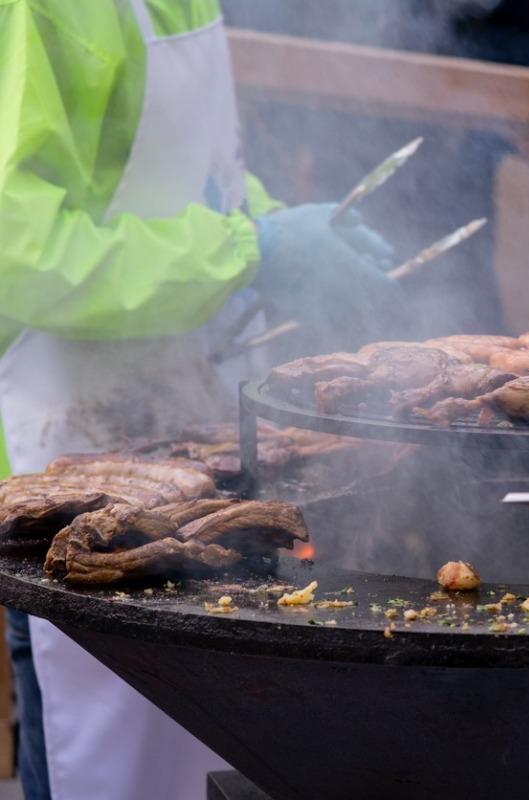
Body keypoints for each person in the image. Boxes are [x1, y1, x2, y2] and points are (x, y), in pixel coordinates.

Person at [0, 1, 402, 798]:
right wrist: (250, 252)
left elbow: (196, 175)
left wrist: (267, 221)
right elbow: (19, 246)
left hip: (182, 430)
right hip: (61, 447)